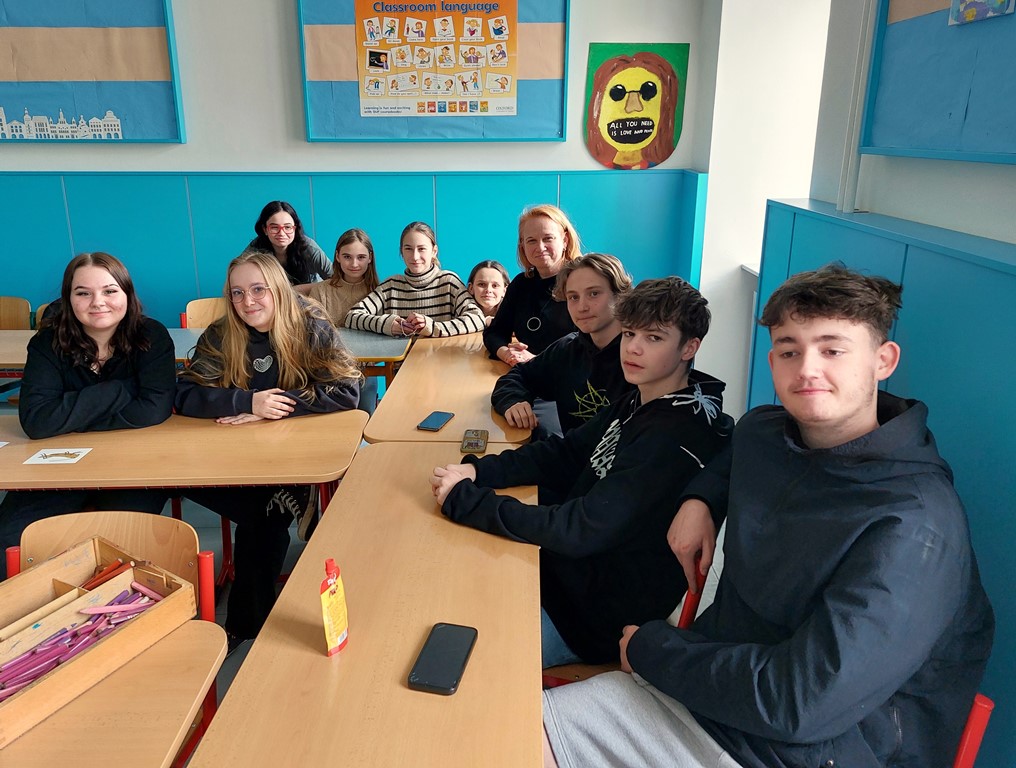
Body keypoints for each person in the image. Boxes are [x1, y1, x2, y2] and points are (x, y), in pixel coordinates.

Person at [541, 265, 995, 768]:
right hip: (708, 695)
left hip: (791, 750)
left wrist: (655, 649)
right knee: (507, 726)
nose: (807, 370)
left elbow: (800, 702)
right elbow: (736, 450)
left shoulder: (915, 525)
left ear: (882, 360)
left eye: (832, 350)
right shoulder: (767, 432)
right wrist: (700, 499)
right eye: (789, 350)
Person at [431, 277, 730, 668]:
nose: (633, 348)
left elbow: (580, 529)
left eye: (654, 338)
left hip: (590, 619)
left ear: (689, 347)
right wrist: (477, 471)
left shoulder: (674, 436)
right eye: (630, 333)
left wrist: (469, 502)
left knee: (462, 660)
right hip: (566, 575)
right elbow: (565, 453)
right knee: (443, 581)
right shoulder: (642, 397)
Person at [175, 250, 361, 648]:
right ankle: (284, 501)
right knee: (177, 483)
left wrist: (275, 406)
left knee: (264, 522)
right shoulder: (222, 333)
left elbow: (347, 390)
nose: (247, 302)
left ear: (278, 288)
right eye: (237, 292)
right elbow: (186, 394)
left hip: (294, 456)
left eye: (258, 289)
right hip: (235, 457)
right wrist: (246, 402)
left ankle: (244, 626)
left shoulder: (310, 324)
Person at [0, 253, 174, 574]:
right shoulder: (48, 342)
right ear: (68, 298)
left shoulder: (151, 336)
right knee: (9, 541)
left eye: (110, 291)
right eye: (83, 293)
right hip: (57, 468)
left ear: (127, 294)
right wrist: (121, 390)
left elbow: (154, 409)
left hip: (134, 466)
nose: (98, 302)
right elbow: (38, 421)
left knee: (119, 546)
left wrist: (69, 415)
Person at [491, 253, 634, 437]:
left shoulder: (641, 358)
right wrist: (514, 401)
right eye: (573, 297)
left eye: (594, 294)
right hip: (570, 453)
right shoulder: (567, 349)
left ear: (619, 296)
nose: (582, 307)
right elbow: (518, 377)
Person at [344, 221, 485, 337]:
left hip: (443, 361)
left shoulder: (449, 282)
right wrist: (386, 324)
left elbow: (478, 319)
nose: (415, 256)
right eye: (408, 249)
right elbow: (351, 317)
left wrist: (432, 327)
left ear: (434, 251)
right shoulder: (390, 286)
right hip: (401, 363)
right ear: (401, 252)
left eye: (421, 249)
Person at [483, 204, 580, 366]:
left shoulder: (584, 282)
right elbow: (495, 332)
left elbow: (590, 346)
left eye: (548, 238)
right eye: (531, 240)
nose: (540, 247)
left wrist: (536, 360)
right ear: (522, 245)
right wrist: (506, 353)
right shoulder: (520, 284)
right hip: (527, 371)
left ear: (565, 240)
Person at [299, 228, 381, 413]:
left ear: (370, 258)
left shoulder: (379, 291)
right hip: (330, 372)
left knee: (364, 414)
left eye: (361, 257)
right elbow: (313, 336)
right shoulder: (321, 291)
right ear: (337, 256)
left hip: (366, 371)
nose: (354, 264)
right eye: (347, 257)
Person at [248, 201, 331, 286]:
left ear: (295, 228)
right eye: (274, 227)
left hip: (311, 293)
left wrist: (296, 290)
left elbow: (335, 280)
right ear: (265, 229)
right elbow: (240, 278)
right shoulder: (255, 248)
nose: (281, 233)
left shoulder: (309, 248)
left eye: (287, 227)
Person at [465, 259, 509, 327]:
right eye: (481, 284)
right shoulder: (459, 313)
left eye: (495, 285)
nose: (488, 290)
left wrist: (490, 321)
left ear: (504, 291)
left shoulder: (514, 313)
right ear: (471, 288)